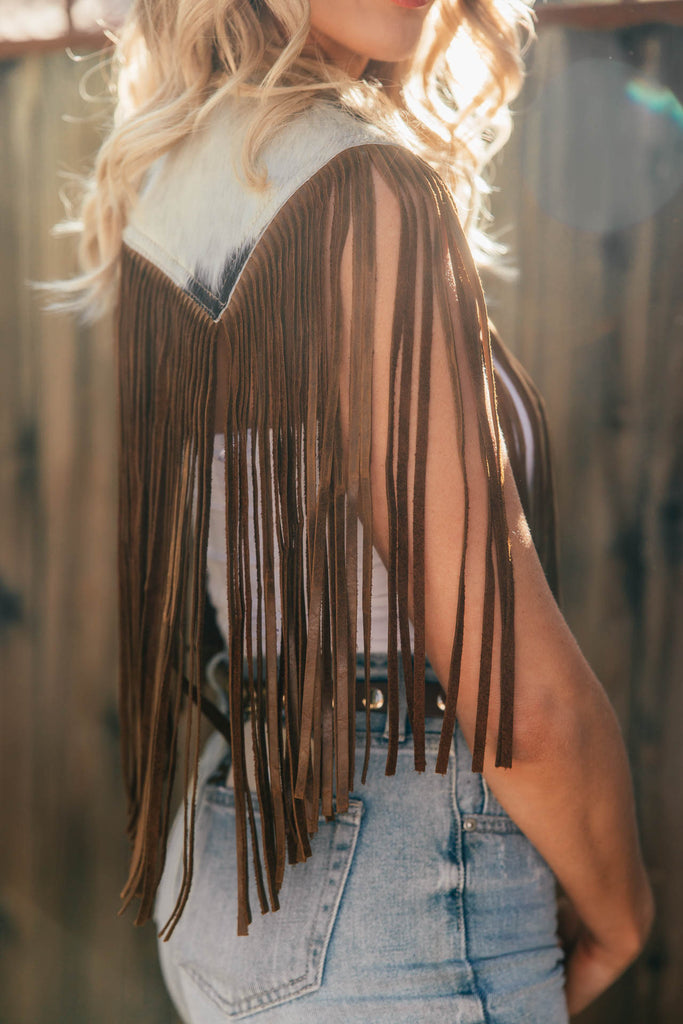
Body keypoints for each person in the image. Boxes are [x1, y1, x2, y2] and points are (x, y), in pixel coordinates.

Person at [57, 1, 653, 1021]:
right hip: (397, 882)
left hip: (236, 848)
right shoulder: (361, 182)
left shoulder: (170, 180)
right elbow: (515, 696)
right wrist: (621, 913)